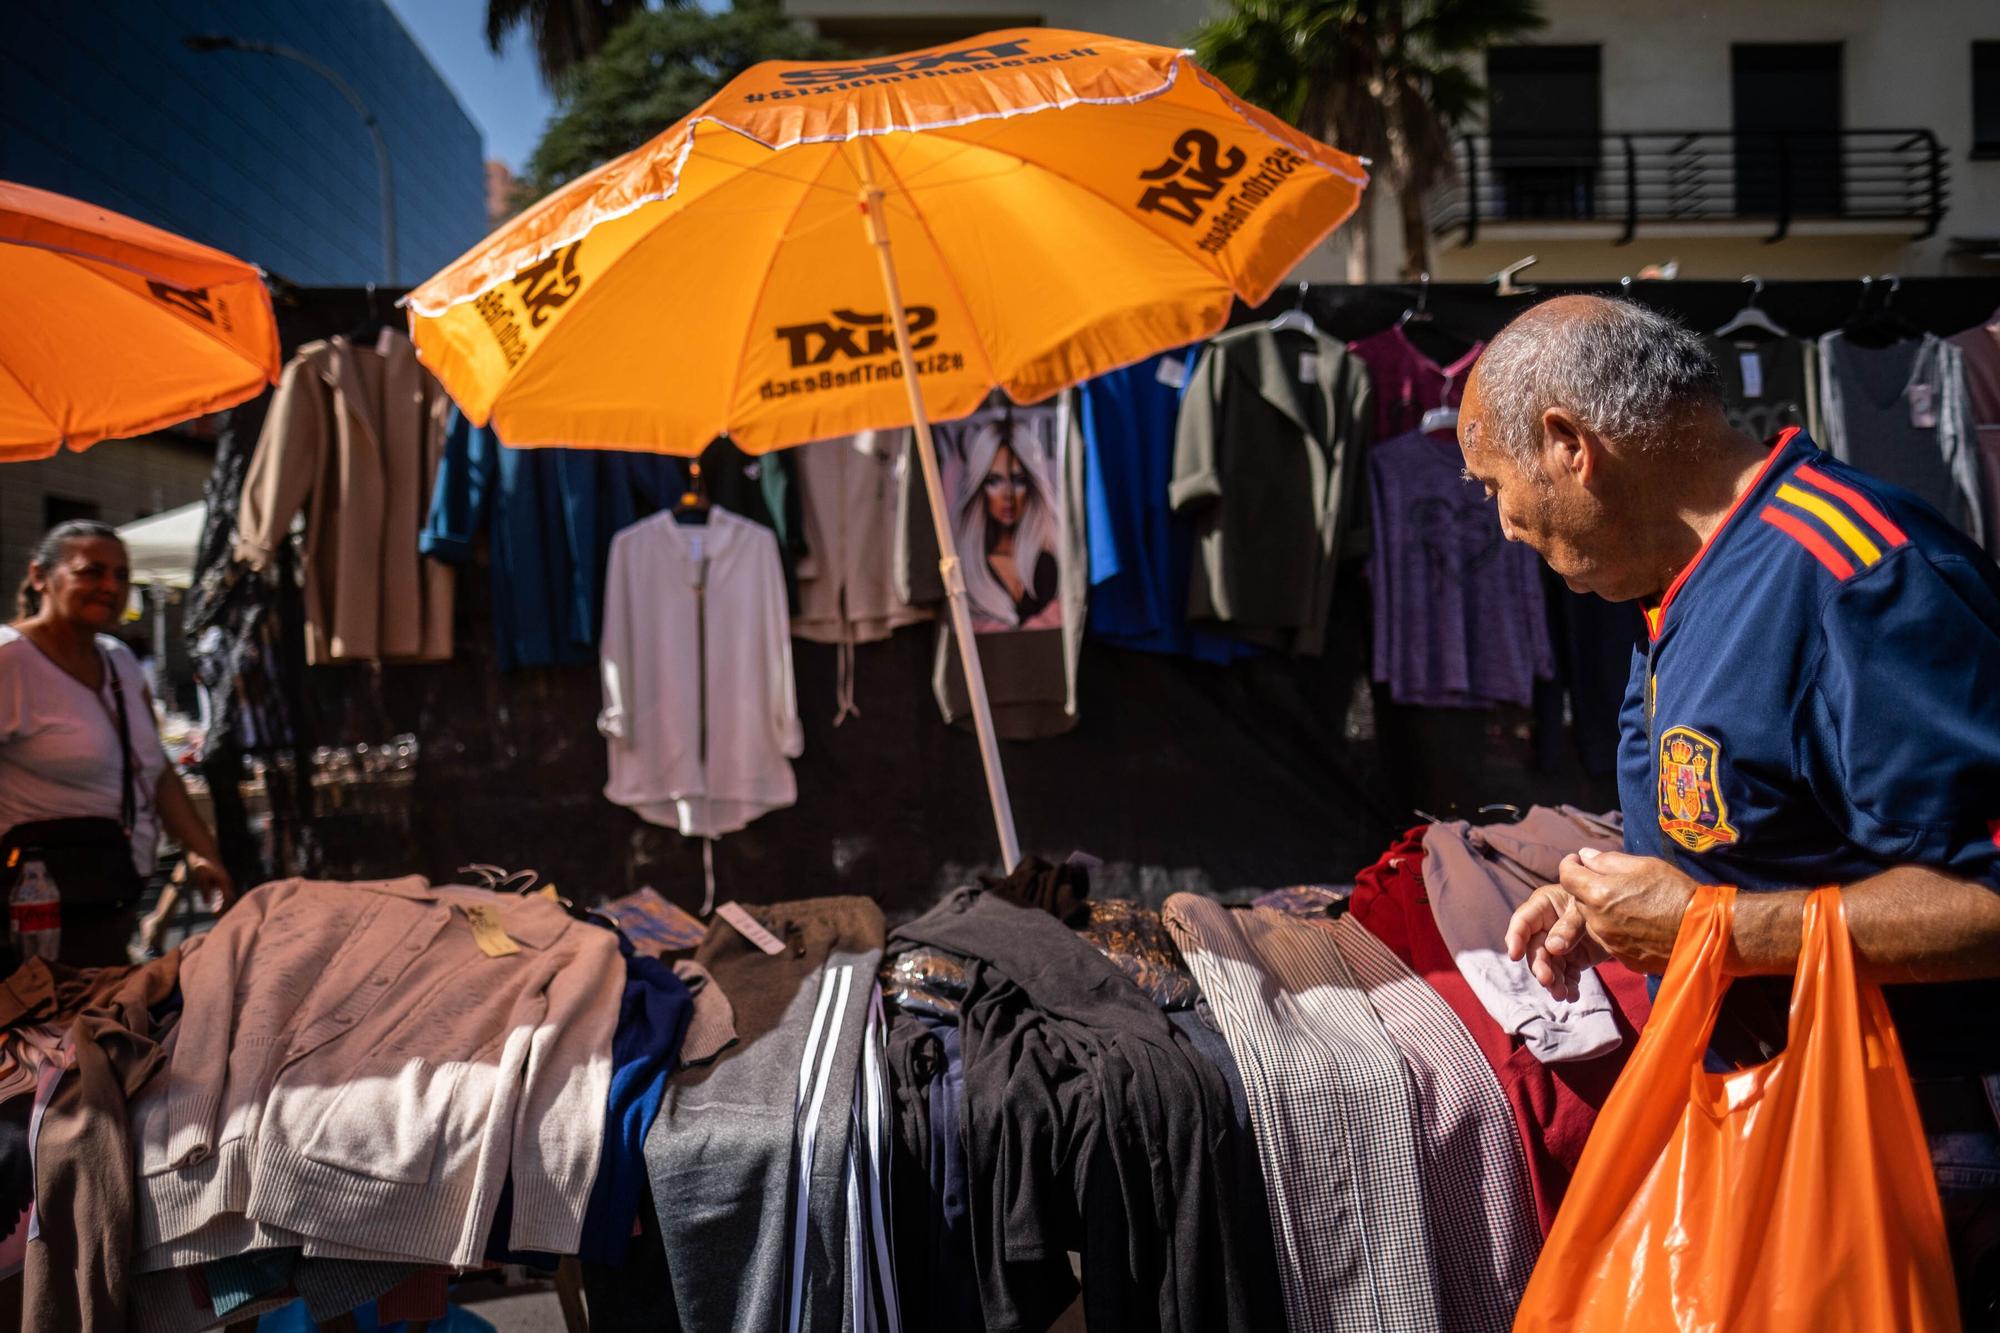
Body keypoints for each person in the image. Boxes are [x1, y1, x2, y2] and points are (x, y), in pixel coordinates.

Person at [1455, 295, 2000, 1323]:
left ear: (1570, 446)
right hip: (1782, 1130)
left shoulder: (1858, 574)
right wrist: (1620, 901)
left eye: (1493, 483)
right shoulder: (1678, 583)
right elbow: (1768, 818)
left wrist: (1715, 928)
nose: (1501, 522)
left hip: (1913, 1163)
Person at [0, 520, 235, 965]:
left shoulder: (118, 660)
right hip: (33, 917)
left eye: (122, 575)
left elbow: (157, 771)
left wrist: (202, 854)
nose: (110, 586)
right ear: (39, 577)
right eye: (91, 571)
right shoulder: (10, 660)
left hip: (111, 896)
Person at [953, 421, 1061, 631]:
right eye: (994, 481)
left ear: (1031, 485)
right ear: (980, 487)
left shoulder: (1046, 562)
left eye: (1019, 480)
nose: (1008, 495)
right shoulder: (968, 566)